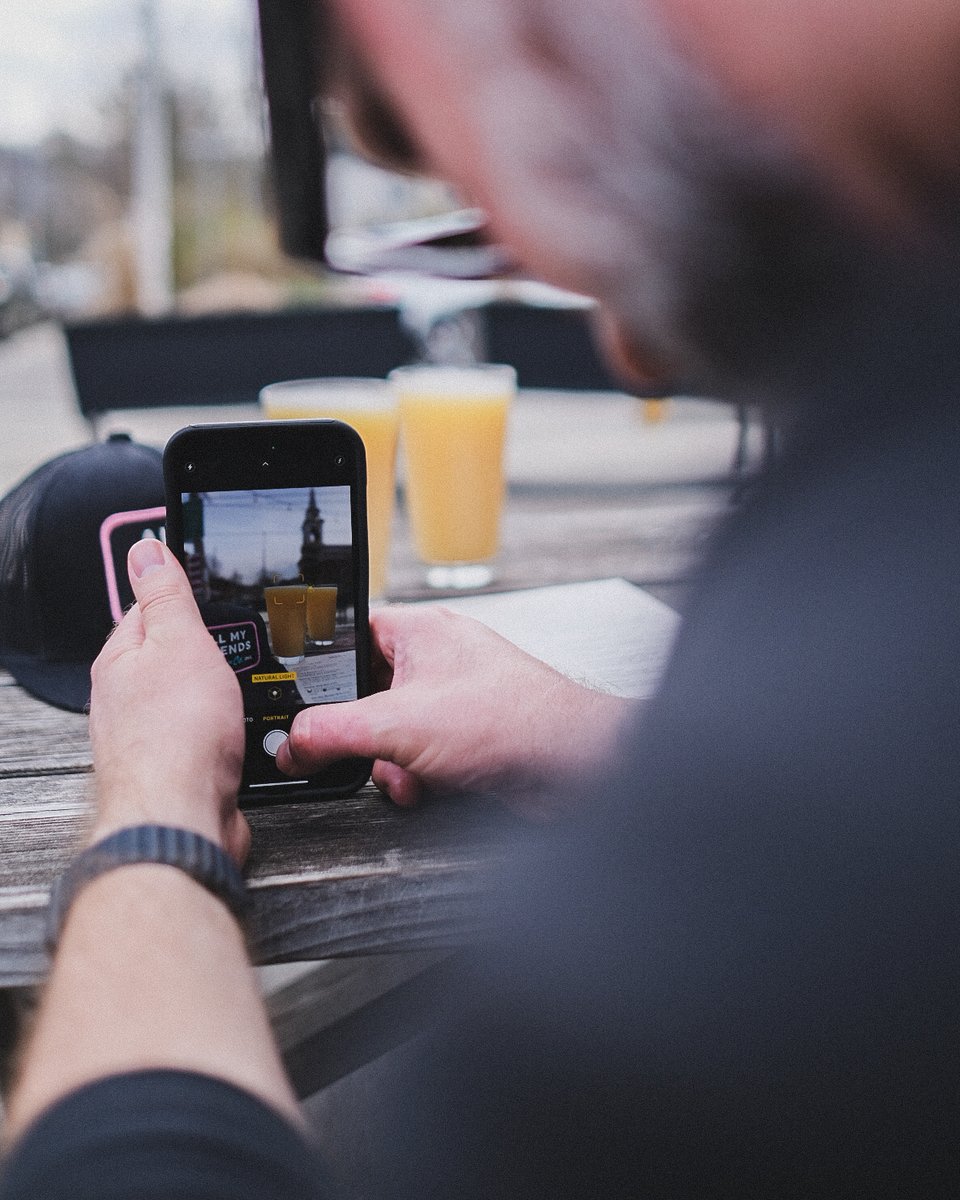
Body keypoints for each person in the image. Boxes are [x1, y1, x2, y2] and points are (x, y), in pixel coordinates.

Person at [3, 0, 960, 1195]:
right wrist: (613, 744)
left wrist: (152, 810)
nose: (631, 355)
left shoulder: (687, 951)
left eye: (450, 177)